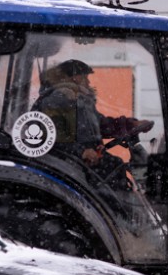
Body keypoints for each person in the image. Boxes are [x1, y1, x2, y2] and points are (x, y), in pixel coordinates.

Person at [33, 59, 152, 188]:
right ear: (75, 78)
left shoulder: (81, 102)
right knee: (113, 170)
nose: (88, 82)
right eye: (85, 77)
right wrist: (82, 152)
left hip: (84, 161)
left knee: (115, 165)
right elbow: (50, 138)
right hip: (68, 165)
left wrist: (130, 125)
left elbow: (100, 125)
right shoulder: (59, 100)